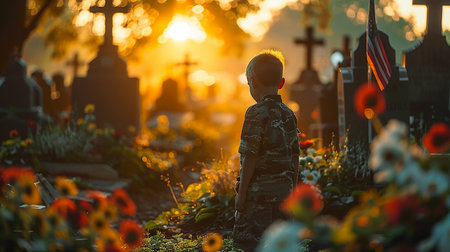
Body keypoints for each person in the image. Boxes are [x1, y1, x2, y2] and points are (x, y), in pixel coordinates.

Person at [233, 50, 300, 251]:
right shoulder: (289, 114)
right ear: (281, 83)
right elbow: (295, 156)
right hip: (283, 195)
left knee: (252, 245)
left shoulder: (255, 113)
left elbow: (250, 156)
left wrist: (242, 194)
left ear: (252, 82)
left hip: (257, 198)